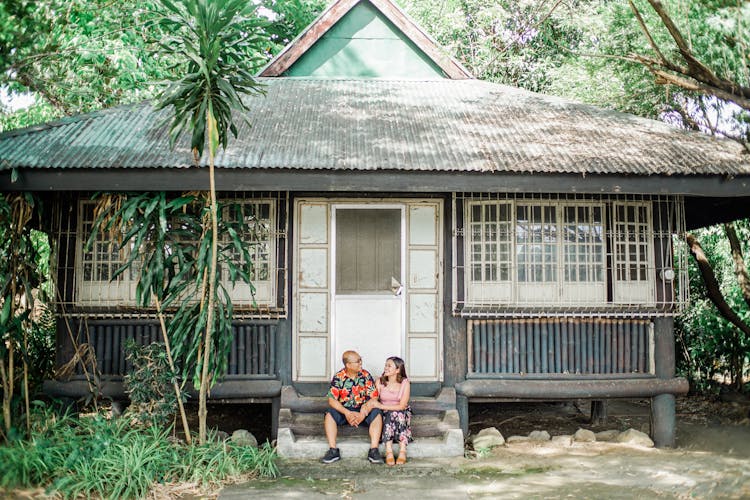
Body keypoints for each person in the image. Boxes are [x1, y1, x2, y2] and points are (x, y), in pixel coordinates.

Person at [321, 350, 383, 464]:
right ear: (348, 365)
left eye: (361, 360)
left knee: (377, 412)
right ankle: (333, 450)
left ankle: (374, 450)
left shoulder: (365, 375)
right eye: (358, 361)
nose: (361, 363)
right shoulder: (339, 377)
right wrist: (347, 413)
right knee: (329, 413)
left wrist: (363, 413)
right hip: (344, 411)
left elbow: (374, 397)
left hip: (363, 409)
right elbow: (332, 400)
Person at [372, 356, 412, 466]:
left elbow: (402, 406)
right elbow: (374, 400)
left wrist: (381, 406)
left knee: (396, 413)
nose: (386, 368)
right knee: (390, 414)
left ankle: (402, 451)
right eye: (385, 365)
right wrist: (379, 405)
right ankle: (389, 451)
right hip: (384, 412)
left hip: (401, 412)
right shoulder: (379, 382)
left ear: (398, 370)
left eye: (389, 366)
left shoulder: (405, 383)